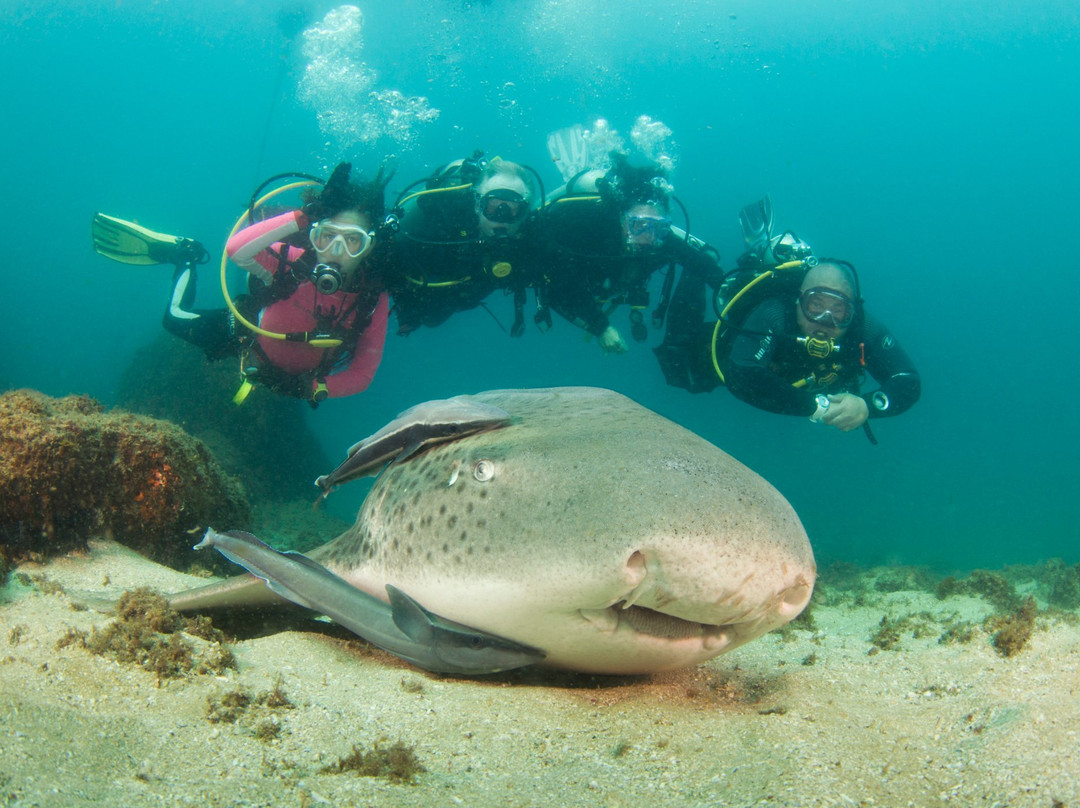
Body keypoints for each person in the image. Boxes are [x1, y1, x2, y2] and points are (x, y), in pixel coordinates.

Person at [92, 162, 395, 407]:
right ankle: (184, 256)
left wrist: (312, 388)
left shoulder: (370, 299)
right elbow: (237, 249)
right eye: (327, 236)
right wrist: (305, 216)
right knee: (172, 319)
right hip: (245, 340)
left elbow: (362, 374)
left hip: (298, 379)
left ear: (369, 248)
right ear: (313, 235)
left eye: (353, 240)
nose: (337, 251)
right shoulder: (294, 261)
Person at [655, 197, 920, 434]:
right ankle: (700, 259)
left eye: (839, 310)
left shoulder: (862, 326)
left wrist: (867, 406)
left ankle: (761, 246)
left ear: (852, 310)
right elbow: (742, 373)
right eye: (815, 306)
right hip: (737, 341)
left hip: (792, 383)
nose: (825, 321)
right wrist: (815, 407)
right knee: (682, 368)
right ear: (798, 301)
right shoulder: (774, 312)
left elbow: (907, 380)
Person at [540, 152, 722, 353]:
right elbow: (558, 289)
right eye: (639, 225)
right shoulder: (589, 235)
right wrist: (601, 328)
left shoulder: (661, 241)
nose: (648, 237)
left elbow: (700, 263)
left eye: (657, 227)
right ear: (622, 220)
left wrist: (725, 286)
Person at [388, 154, 544, 337]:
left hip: (460, 295)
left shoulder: (530, 240)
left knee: (434, 319)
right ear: (477, 204)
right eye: (493, 206)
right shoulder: (444, 223)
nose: (502, 217)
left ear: (524, 214)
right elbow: (394, 252)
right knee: (431, 318)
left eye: (512, 208)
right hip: (430, 284)